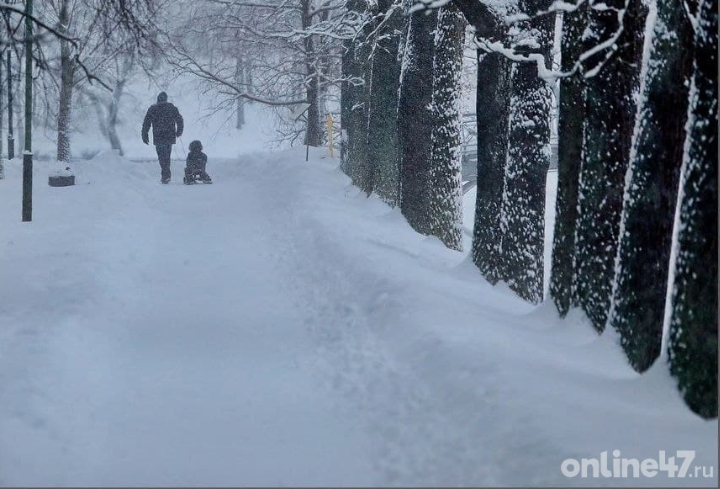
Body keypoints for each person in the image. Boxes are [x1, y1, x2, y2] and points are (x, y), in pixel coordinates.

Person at [141, 92, 184, 184]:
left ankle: (165, 175)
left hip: (158, 136)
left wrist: (145, 135)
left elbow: (146, 123)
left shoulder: (153, 108)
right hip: (169, 136)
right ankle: (166, 174)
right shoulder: (172, 108)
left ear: (158, 99)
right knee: (167, 156)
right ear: (166, 99)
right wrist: (179, 131)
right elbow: (179, 119)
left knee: (161, 156)